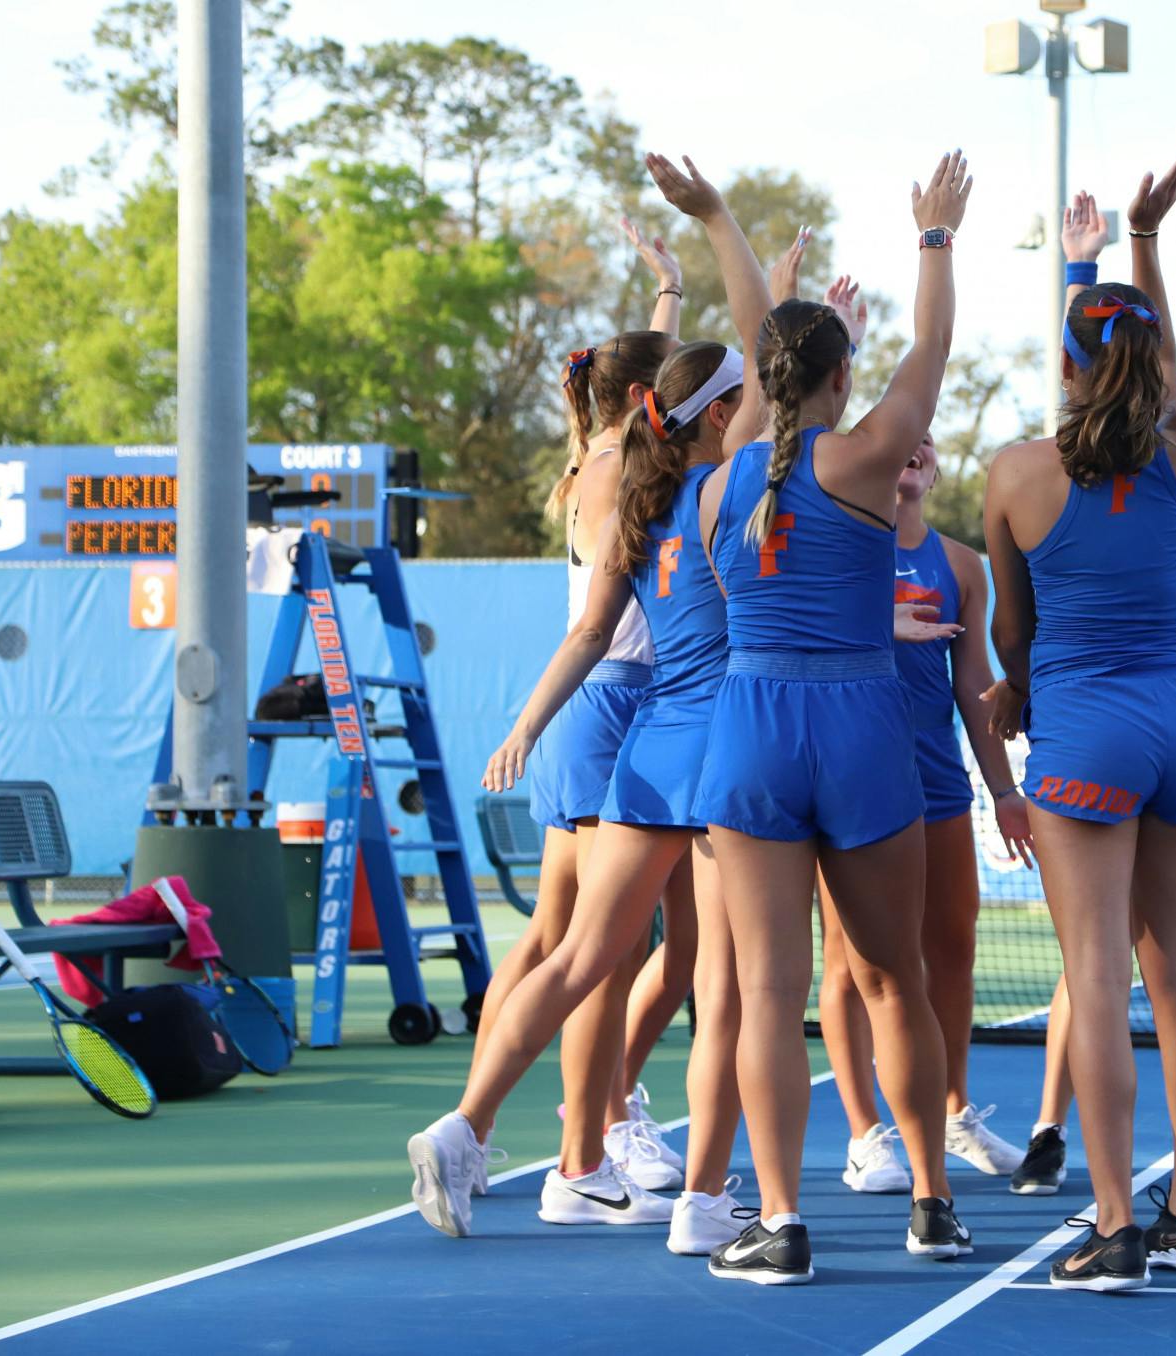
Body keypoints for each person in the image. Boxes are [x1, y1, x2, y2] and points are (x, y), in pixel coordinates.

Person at [403, 169, 777, 1244]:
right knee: (721, 980)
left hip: (643, 746)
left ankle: (471, 1129)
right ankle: (704, 1200)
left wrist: (525, 725)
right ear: (718, 419)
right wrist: (718, 226)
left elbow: (581, 634)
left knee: (575, 959)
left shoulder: (633, 497)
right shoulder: (719, 490)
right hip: (708, 744)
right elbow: (755, 349)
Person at [982, 148, 1176, 1292]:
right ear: (1155, 361)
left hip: (1088, 733)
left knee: (1097, 982)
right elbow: (1158, 377)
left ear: (1061, 361)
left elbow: (1012, 633)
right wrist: (1133, 252)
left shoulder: (1017, 473)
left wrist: (1016, 687)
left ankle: (1113, 1228)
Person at [691, 152, 975, 1286]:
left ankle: (777, 1219)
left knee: (766, 994)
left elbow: (764, 393)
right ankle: (929, 1198)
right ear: (839, 376)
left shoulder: (717, 486)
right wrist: (934, 238)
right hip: (860, 726)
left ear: (761, 378)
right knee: (893, 977)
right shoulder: (863, 461)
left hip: (750, 726)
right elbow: (934, 350)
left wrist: (724, 230)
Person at [459, 230, 684, 1201]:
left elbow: (644, 376)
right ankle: (579, 1157)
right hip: (612, 707)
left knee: (556, 937)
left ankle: (478, 1130)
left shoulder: (593, 451)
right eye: (671, 386)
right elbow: (598, 627)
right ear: (645, 401)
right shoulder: (620, 475)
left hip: (592, 714)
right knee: (605, 950)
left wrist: (669, 287)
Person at [816, 430, 1037, 1196]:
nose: (911, 450)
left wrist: (1005, 792)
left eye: (925, 445)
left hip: (939, 786)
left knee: (952, 945)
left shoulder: (964, 566)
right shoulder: (840, 547)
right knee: (850, 964)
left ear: (933, 470)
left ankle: (951, 1112)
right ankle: (863, 1134)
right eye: (899, 443)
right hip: (852, 781)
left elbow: (975, 685)